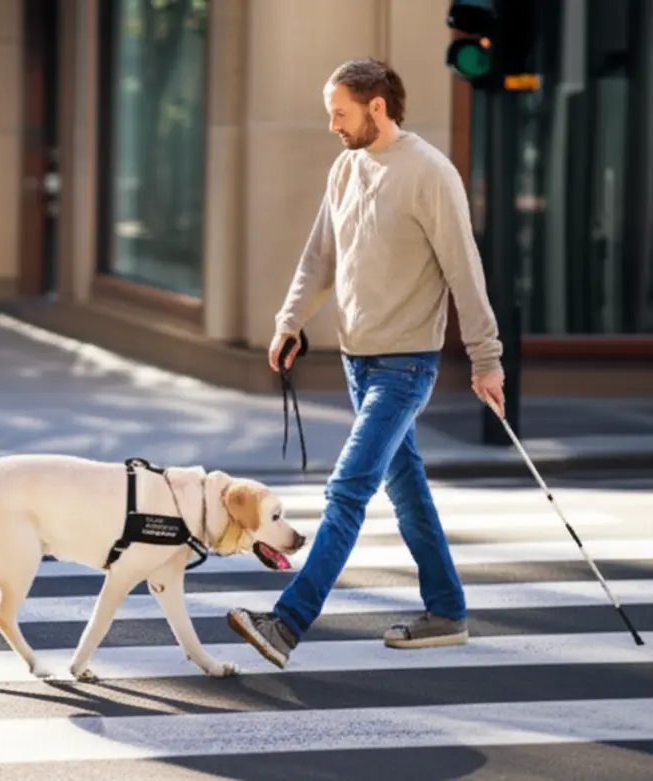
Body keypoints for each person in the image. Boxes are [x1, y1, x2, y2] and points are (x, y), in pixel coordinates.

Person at [226, 57, 505, 669]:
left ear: (377, 107)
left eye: (340, 113)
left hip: (406, 368)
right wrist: (288, 321)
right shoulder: (346, 167)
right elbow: (320, 256)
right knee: (407, 491)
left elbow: (466, 272)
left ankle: (287, 622)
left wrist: (487, 359)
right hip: (359, 362)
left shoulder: (431, 174)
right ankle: (447, 611)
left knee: (349, 488)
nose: (332, 125)